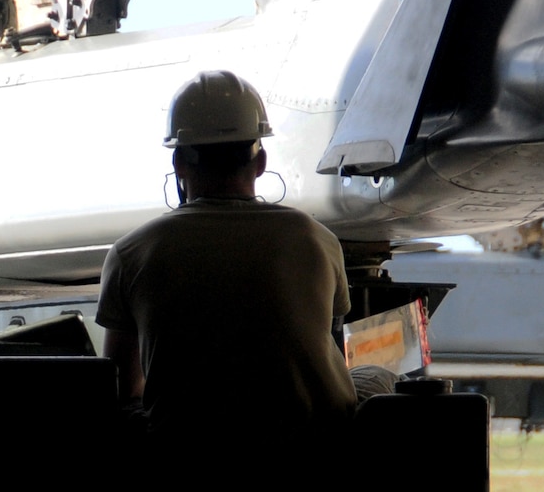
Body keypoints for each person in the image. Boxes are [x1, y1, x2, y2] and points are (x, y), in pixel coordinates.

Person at [96, 69, 360, 449]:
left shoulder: (131, 253)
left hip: (190, 453)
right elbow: (326, 349)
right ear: (260, 161)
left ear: (181, 164)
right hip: (308, 456)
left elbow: (122, 388)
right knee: (373, 377)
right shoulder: (318, 240)